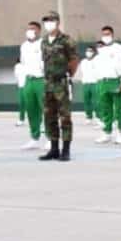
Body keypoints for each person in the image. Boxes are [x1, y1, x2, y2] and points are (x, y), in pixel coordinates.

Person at [38, 11, 79, 162]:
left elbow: (74, 60)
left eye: (51, 20)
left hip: (61, 83)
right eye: (46, 20)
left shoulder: (66, 40)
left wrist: (68, 75)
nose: (48, 23)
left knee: (65, 117)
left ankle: (66, 150)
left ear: (58, 22)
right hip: (47, 83)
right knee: (49, 117)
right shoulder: (43, 41)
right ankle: (54, 149)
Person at [93, 26, 121, 145]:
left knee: (118, 109)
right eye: (104, 34)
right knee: (106, 109)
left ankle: (120, 132)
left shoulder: (120, 49)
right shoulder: (100, 50)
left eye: (108, 34)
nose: (106, 36)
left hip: (116, 81)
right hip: (103, 82)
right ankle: (107, 132)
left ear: (113, 35)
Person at [19, 22, 47, 150]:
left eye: (33, 29)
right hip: (28, 80)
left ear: (39, 31)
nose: (30, 31)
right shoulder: (24, 46)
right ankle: (34, 138)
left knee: (46, 109)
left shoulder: (44, 44)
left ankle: (50, 138)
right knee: (31, 110)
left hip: (41, 80)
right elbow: (23, 63)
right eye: (28, 28)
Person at [77, 47, 100, 126]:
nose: (88, 52)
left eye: (90, 51)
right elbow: (81, 72)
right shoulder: (83, 62)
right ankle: (88, 117)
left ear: (94, 52)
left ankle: (98, 117)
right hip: (86, 83)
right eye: (87, 51)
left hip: (94, 83)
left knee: (96, 101)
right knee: (87, 101)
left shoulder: (97, 61)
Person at [13, 60, 26, 127]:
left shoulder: (31, 63)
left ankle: (39, 121)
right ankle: (21, 119)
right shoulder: (17, 66)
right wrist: (17, 82)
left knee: (33, 104)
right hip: (21, 86)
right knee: (22, 104)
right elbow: (16, 76)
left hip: (29, 85)